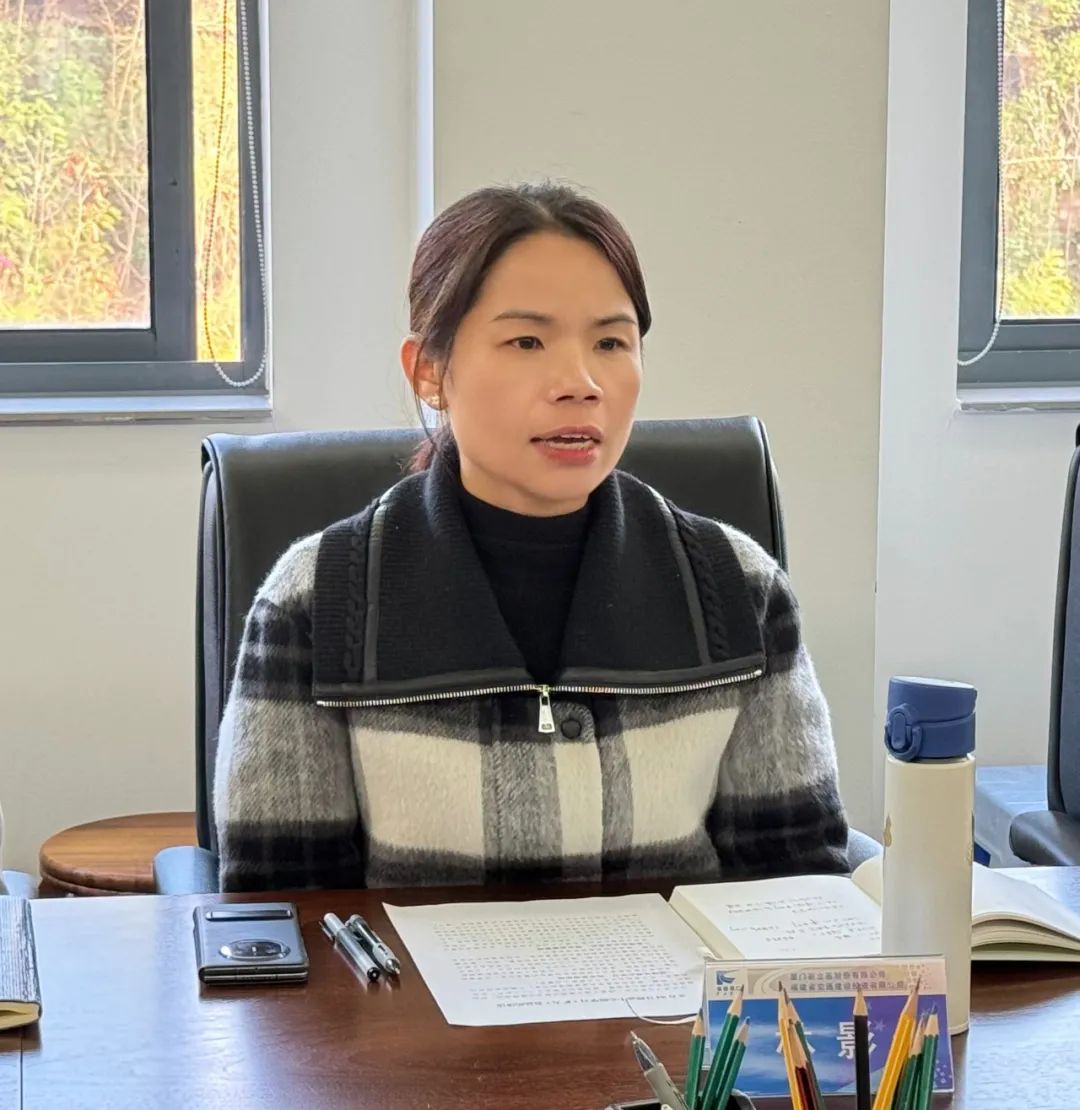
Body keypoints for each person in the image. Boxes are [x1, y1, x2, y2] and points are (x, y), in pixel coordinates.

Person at [214, 181, 848, 891]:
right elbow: (286, 911)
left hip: (677, 971)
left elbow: (798, 890)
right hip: (409, 972)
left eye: (610, 342)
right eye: (526, 341)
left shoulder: (742, 589)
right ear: (429, 371)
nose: (580, 382)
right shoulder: (316, 601)